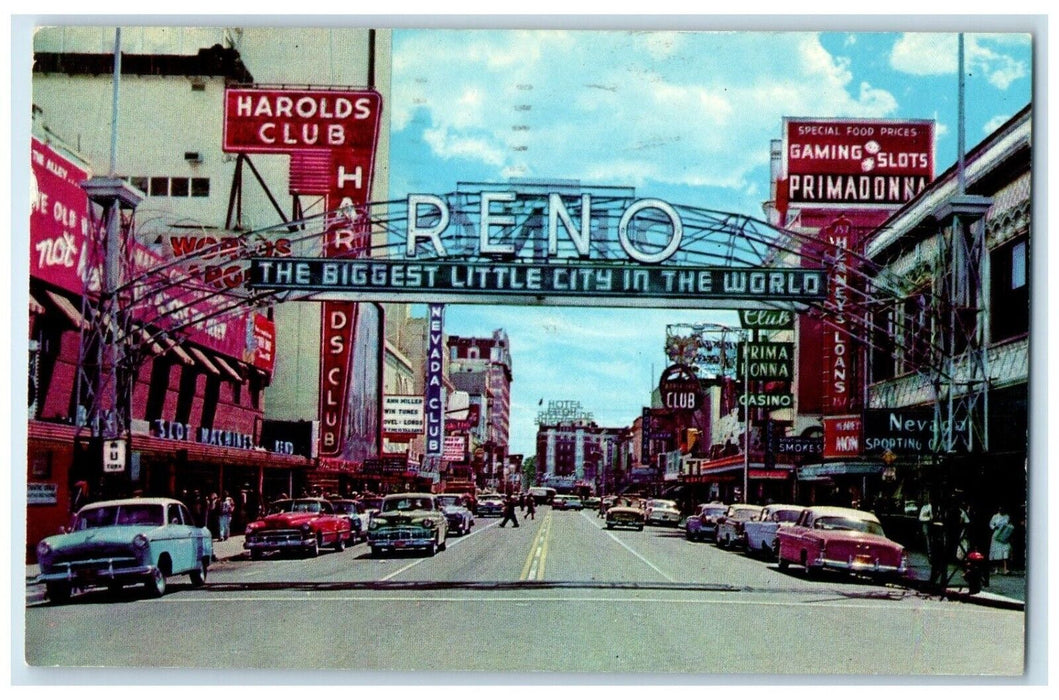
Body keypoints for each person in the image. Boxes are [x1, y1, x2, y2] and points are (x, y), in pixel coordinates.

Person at [989, 505, 1013, 575]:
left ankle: (1006, 569)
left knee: (1006, 550)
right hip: (996, 534)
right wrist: (994, 527)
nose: (1001, 510)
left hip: (1004, 534)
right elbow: (991, 524)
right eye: (1000, 509)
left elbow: (1009, 524)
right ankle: (996, 568)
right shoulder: (995, 516)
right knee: (996, 551)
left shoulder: (1007, 516)